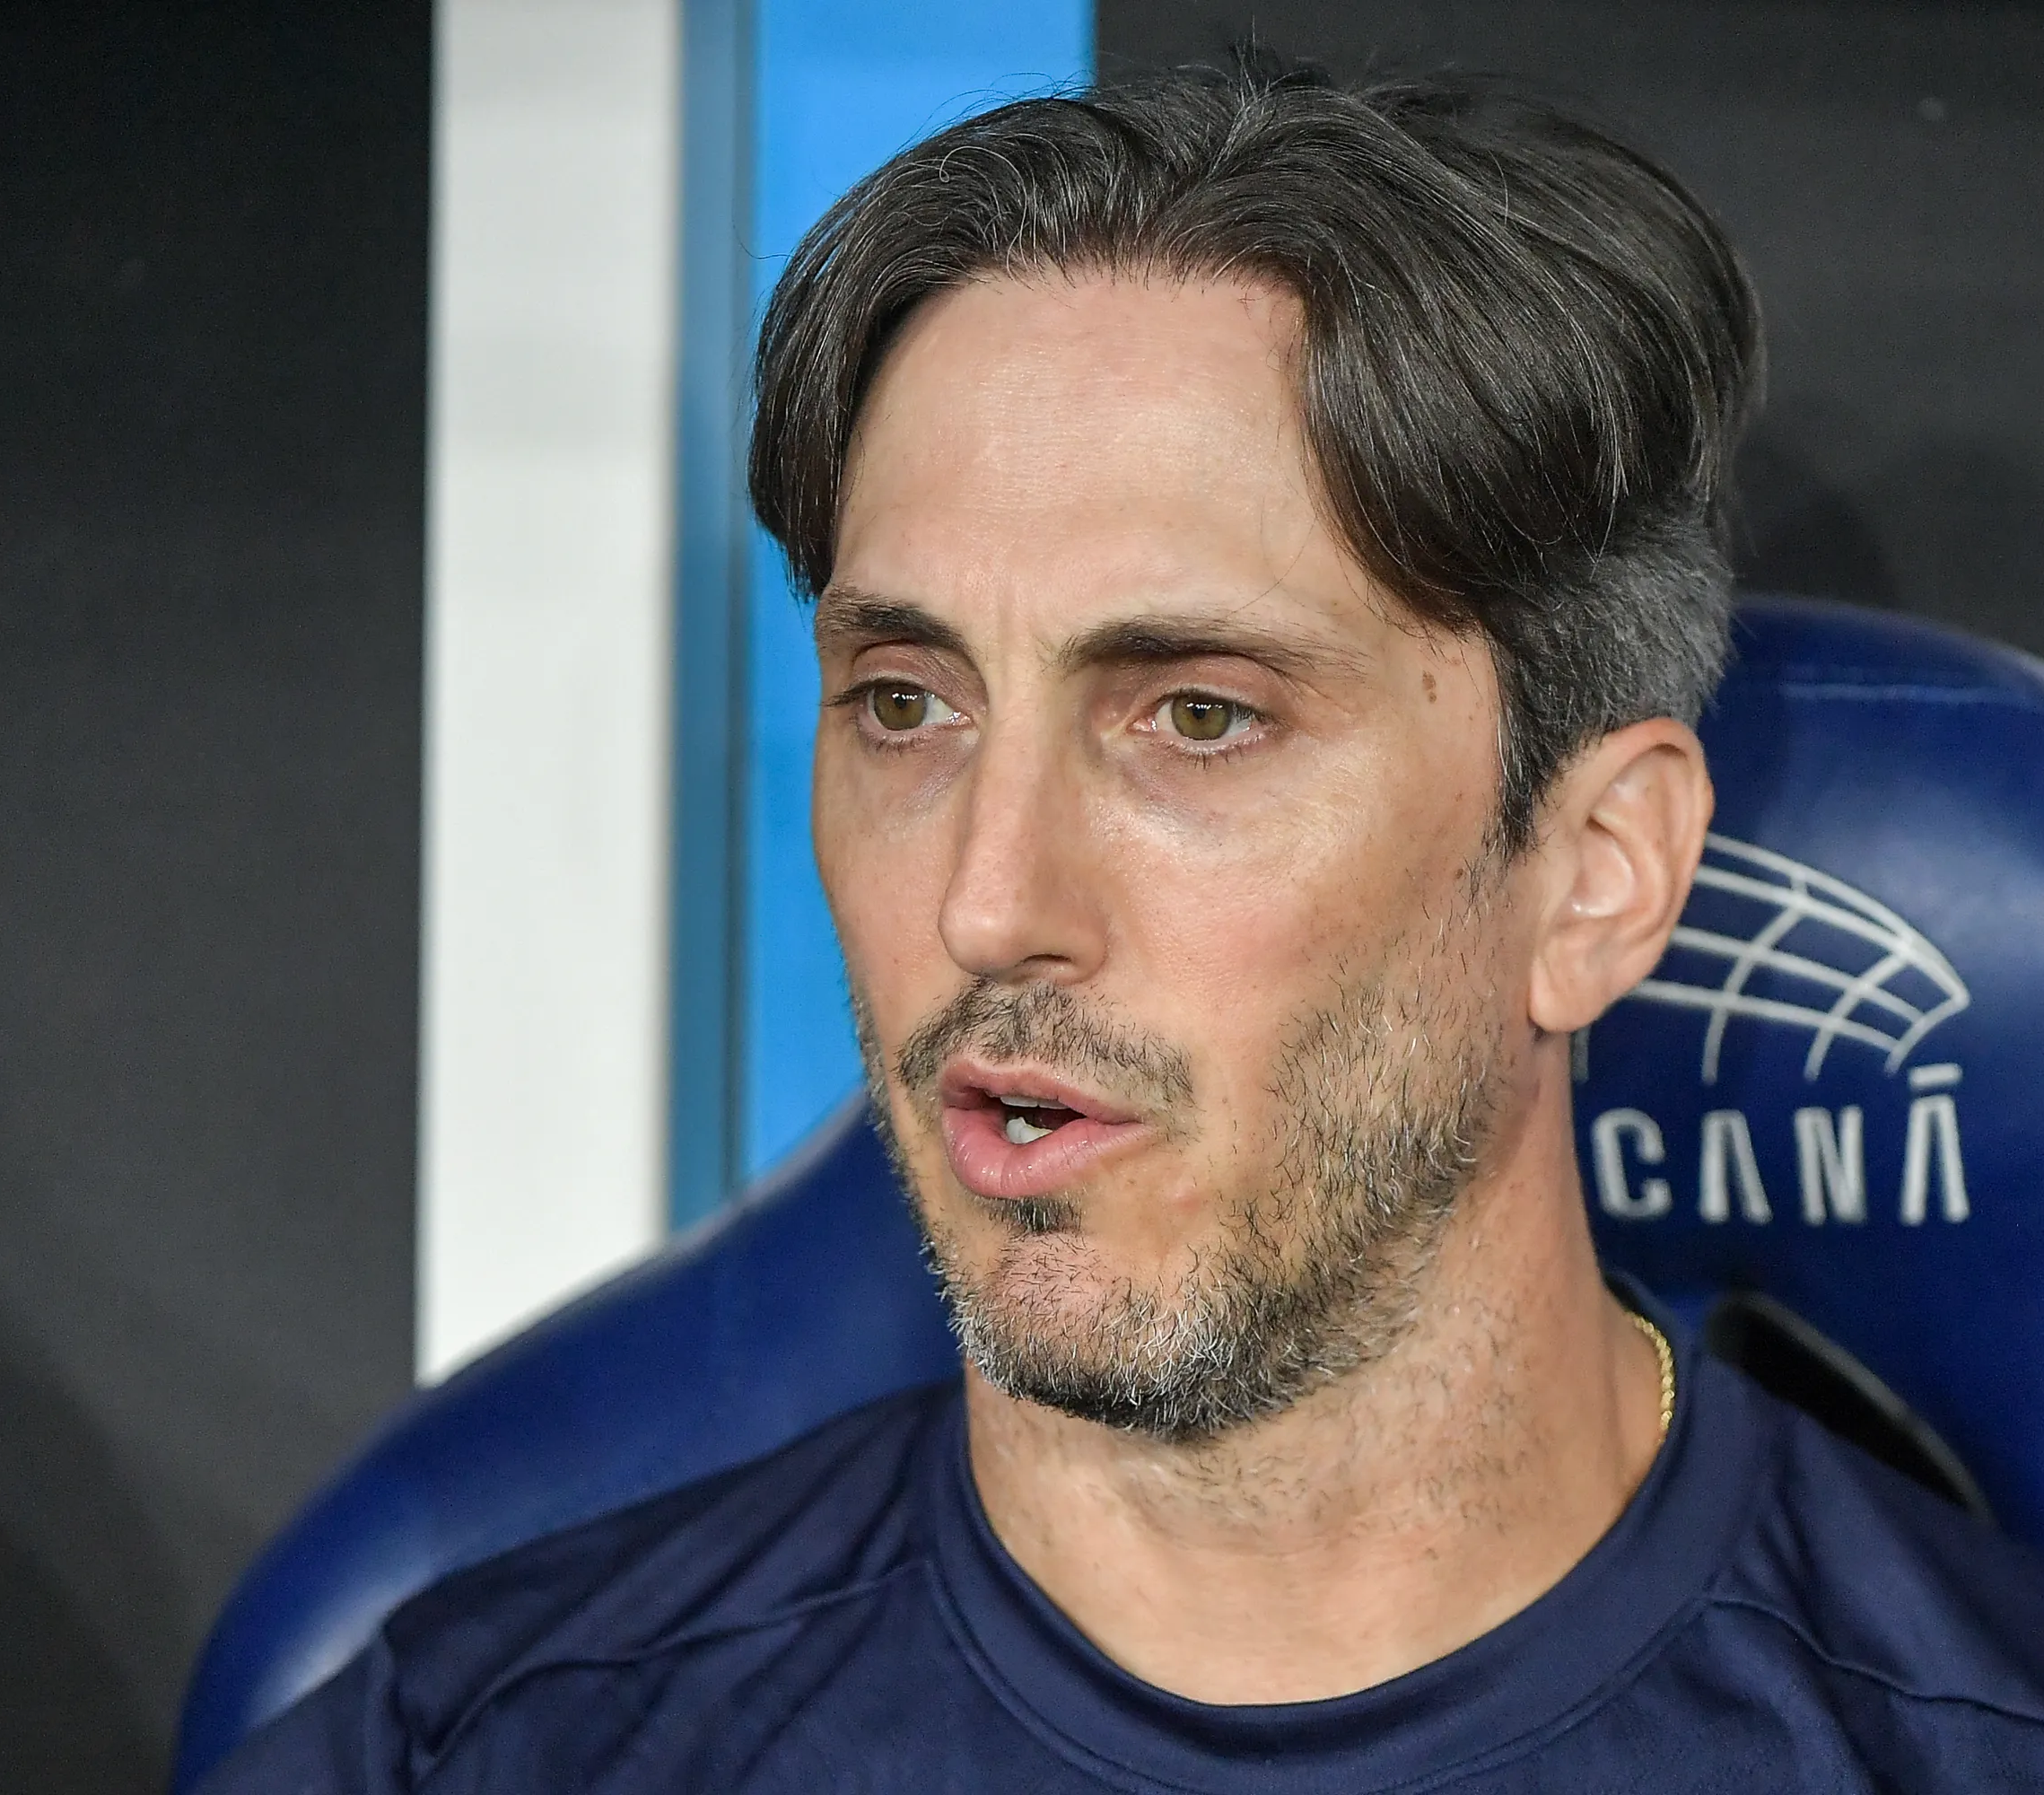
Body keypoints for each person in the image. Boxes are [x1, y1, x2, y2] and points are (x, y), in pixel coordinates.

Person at [213, 55, 2044, 1791]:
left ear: (1595, 875)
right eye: (907, 703)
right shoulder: (471, 1752)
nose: (989, 901)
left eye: (1199, 717)